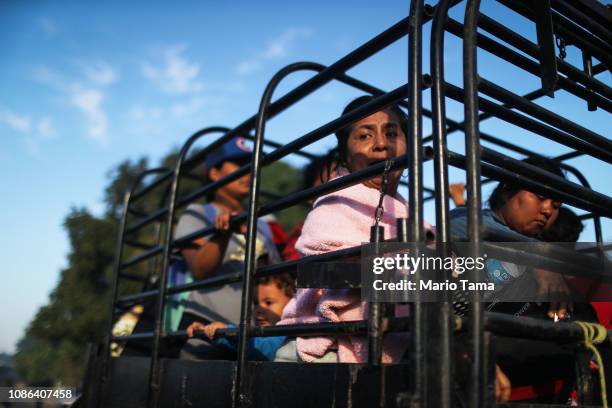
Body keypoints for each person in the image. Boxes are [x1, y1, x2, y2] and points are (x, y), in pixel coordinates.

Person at [276, 95, 428, 364]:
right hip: (331, 346)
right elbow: (326, 270)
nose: (381, 143)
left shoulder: (408, 214)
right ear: (345, 156)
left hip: (395, 343)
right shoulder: (332, 206)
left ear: (409, 148)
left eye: (391, 133)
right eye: (365, 136)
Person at [174, 136, 281, 359]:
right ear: (214, 173)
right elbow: (199, 269)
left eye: (250, 165)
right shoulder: (198, 214)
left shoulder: (263, 222)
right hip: (205, 331)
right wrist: (221, 235)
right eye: (239, 164)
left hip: (252, 338)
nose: (248, 172)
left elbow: (277, 279)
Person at [186, 273, 295, 361]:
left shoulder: (289, 334)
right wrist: (210, 333)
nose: (258, 309)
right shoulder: (263, 333)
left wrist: (229, 331)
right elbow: (246, 346)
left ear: (292, 302)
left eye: (268, 302)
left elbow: (260, 347)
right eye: (256, 303)